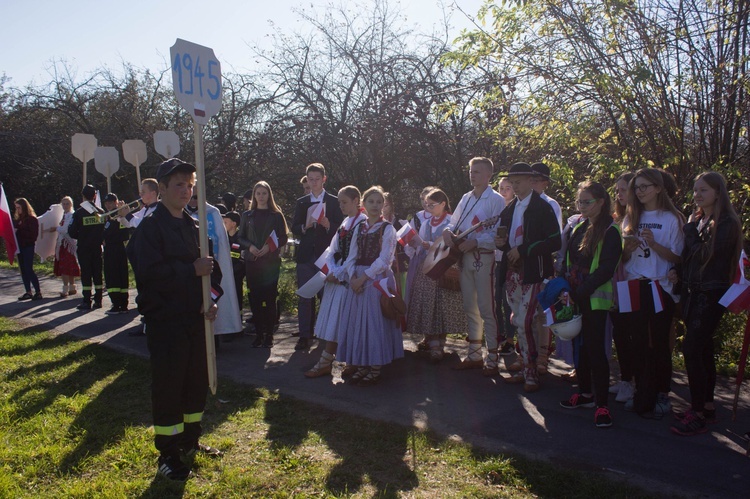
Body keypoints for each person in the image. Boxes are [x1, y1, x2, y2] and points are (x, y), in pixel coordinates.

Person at [126, 158, 224, 481]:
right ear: (163, 189)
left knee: (195, 381)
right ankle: (168, 453)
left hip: (196, 321)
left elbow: (214, 272)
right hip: (166, 323)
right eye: (178, 185)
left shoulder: (194, 226)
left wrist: (209, 301)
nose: (185, 190)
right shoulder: (149, 231)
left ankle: (190, 440)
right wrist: (190, 271)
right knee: (169, 385)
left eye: (190, 185)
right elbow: (150, 277)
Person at [669, 172, 742, 435]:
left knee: (691, 348)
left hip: (711, 294)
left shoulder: (726, 223)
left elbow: (705, 254)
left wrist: (689, 228)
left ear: (718, 193)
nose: (697, 195)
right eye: (696, 190)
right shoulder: (702, 220)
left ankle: (697, 411)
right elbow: (690, 256)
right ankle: (707, 406)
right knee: (703, 349)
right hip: (693, 291)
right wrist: (678, 270)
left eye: (704, 190)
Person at [621, 168, 684, 416]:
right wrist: (628, 247)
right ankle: (641, 390)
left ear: (658, 188)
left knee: (658, 342)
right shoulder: (630, 217)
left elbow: (678, 257)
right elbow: (624, 258)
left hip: (659, 286)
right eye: (637, 187)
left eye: (645, 186)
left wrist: (655, 244)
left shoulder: (672, 218)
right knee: (635, 341)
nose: (640, 191)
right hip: (633, 285)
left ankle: (661, 393)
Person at [559, 181, 622, 428]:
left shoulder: (611, 231)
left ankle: (602, 405)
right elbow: (568, 261)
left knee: (596, 351)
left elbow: (606, 269)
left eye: (587, 202)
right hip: (575, 296)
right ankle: (585, 394)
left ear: (601, 202)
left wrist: (580, 293)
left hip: (594, 300)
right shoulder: (579, 227)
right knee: (580, 349)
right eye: (579, 202)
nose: (582, 206)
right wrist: (566, 289)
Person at [495, 162, 561, 392]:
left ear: (531, 181)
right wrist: (502, 245)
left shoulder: (543, 208)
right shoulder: (510, 209)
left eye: (519, 181)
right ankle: (526, 368)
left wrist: (524, 250)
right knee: (518, 320)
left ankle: (531, 372)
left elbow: (555, 241)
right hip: (513, 272)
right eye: (512, 181)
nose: (515, 185)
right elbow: (504, 241)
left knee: (525, 320)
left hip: (534, 273)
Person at [442, 157, 505, 375]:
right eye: (471, 171)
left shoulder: (496, 200)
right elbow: (453, 223)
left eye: (477, 172)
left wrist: (477, 242)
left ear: (489, 175)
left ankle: (493, 357)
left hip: (484, 258)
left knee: (487, 308)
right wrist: (447, 232)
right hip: (464, 257)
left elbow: (497, 234)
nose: (472, 175)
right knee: (470, 306)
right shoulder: (466, 198)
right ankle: (474, 354)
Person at [337, 186, 403, 385]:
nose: (375, 206)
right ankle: (362, 363)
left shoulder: (388, 229)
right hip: (357, 277)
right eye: (371, 202)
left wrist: (363, 277)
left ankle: (375, 366)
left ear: (384, 205)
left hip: (376, 279)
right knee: (358, 323)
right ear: (363, 204)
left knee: (374, 323)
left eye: (379, 202)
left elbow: (385, 260)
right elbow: (351, 255)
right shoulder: (359, 226)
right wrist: (351, 276)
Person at [305, 185, 366, 377]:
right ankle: (327, 362)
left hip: (350, 278)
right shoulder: (346, 222)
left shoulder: (362, 223)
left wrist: (339, 274)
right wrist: (331, 270)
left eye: (344, 202)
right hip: (337, 277)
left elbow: (355, 256)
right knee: (335, 321)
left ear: (356, 201)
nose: (340, 206)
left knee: (347, 322)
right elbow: (332, 249)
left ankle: (351, 362)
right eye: (339, 202)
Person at [406, 188, 467, 362]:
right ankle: (434, 344)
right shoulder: (426, 223)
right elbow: (421, 245)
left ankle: (441, 341)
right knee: (429, 304)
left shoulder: (451, 221)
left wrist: (428, 244)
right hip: (428, 268)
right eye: (426, 204)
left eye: (432, 204)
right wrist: (416, 244)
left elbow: (454, 245)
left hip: (446, 268)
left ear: (443, 204)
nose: (428, 207)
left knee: (443, 304)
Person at [291, 163, 344, 350]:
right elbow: (294, 227)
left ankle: (325, 335)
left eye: (317, 179)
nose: (313, 183)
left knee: (326, 296)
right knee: (305, 296)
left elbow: (343, 228)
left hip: (326, 256)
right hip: (306, 255)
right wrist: (304, 227)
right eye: (310, 180)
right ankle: (305, 335)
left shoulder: (334, 201)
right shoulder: (302, 202)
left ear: (324, 179)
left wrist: (329, 225)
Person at [238, 181, 289, 348]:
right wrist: (250, 247)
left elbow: (283, 237)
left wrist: (269, 247)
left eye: (264, 193)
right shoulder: (247, 215)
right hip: (253, 262)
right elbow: (240, 237)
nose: (261, 196)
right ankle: (259, 333)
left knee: (270, 298)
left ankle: (269, 335)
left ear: (269, 195)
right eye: (258, 193)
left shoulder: (276, 215)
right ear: (254, 195)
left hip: (270, 262)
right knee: (255, 298)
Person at [530, 162, 563, 374]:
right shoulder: (519, 203)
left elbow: (556, 239)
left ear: (545, 183)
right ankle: (528, 355)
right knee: (525, 311)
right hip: (522, 265)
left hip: (543, 264)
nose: (531, 183)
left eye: (536, 179)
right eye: (529, 178)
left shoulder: (551, 205)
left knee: (542, 311)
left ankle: (542, 356)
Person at [608, 172, 637, 402]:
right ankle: (626, 379)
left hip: (634, 283)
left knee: (631, 334)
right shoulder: (618, 218)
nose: (619, 193)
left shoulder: (639, 218)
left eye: (624, 189)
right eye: (617, 189)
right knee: (620, 332)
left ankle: (633, 382)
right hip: (618, 284)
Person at [68, 184, 104, 310]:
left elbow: (71, 232)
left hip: (84, 247)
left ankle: (86, 300)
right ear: (95, 196)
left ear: (83, 196)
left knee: (86, 274)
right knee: (97, 273)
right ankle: (98, 300)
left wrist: (82, 235)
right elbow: (104, 230)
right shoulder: (101, 212)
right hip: (97, 247)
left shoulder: (79, 213)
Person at [495, 177, 517, 357]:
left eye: (507, 188)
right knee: (496, 301)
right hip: (495, 260)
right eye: (501, 188)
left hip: (510, 261)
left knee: (508, 302)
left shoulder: (516, 210)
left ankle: (510, 339)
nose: (503, 192)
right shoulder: (496, 207)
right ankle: (500, 335)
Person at [102, 193, 130, 314]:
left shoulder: (118, 215)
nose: (108, 205)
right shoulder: (108, 216)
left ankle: (118, 304)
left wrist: (106, 235)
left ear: (116, 202)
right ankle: (121, 304)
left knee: (116, 276)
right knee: (117, 275)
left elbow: (124, 234)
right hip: (113, 248)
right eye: (106, 203)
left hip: (116, 248)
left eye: (111, 203)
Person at [49, 196, 80, 297]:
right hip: (63, 244)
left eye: (67, 204)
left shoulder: (71, 215)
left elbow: (65, 229)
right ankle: (72, 287)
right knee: (68, 267)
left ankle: (65, 289)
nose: (65, 206)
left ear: (71, 204)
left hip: (69, 244)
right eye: (64, 204)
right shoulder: (64, 215)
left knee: (66, 267)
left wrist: (56, 228)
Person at [13, 197, 42, 301]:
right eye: (16, 208)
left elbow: (33, 235)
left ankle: (38, 292)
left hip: (28, 246)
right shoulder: (18, 220)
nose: (18, 210)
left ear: (24, 207)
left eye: (19, 207)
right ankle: (28, 291)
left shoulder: (32, 219)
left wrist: (20, 230)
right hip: (20, 247)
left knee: (29, 269)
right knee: (23, 270)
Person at [223, 211, 245, 314]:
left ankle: (238, 321)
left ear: (234, 224)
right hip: (225, 276)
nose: (224, 224)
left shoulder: (240, 239)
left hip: (236, 276)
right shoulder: (224, 238)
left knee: (237, 298)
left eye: (226, 222)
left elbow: (242, 260)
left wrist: (233, 271)